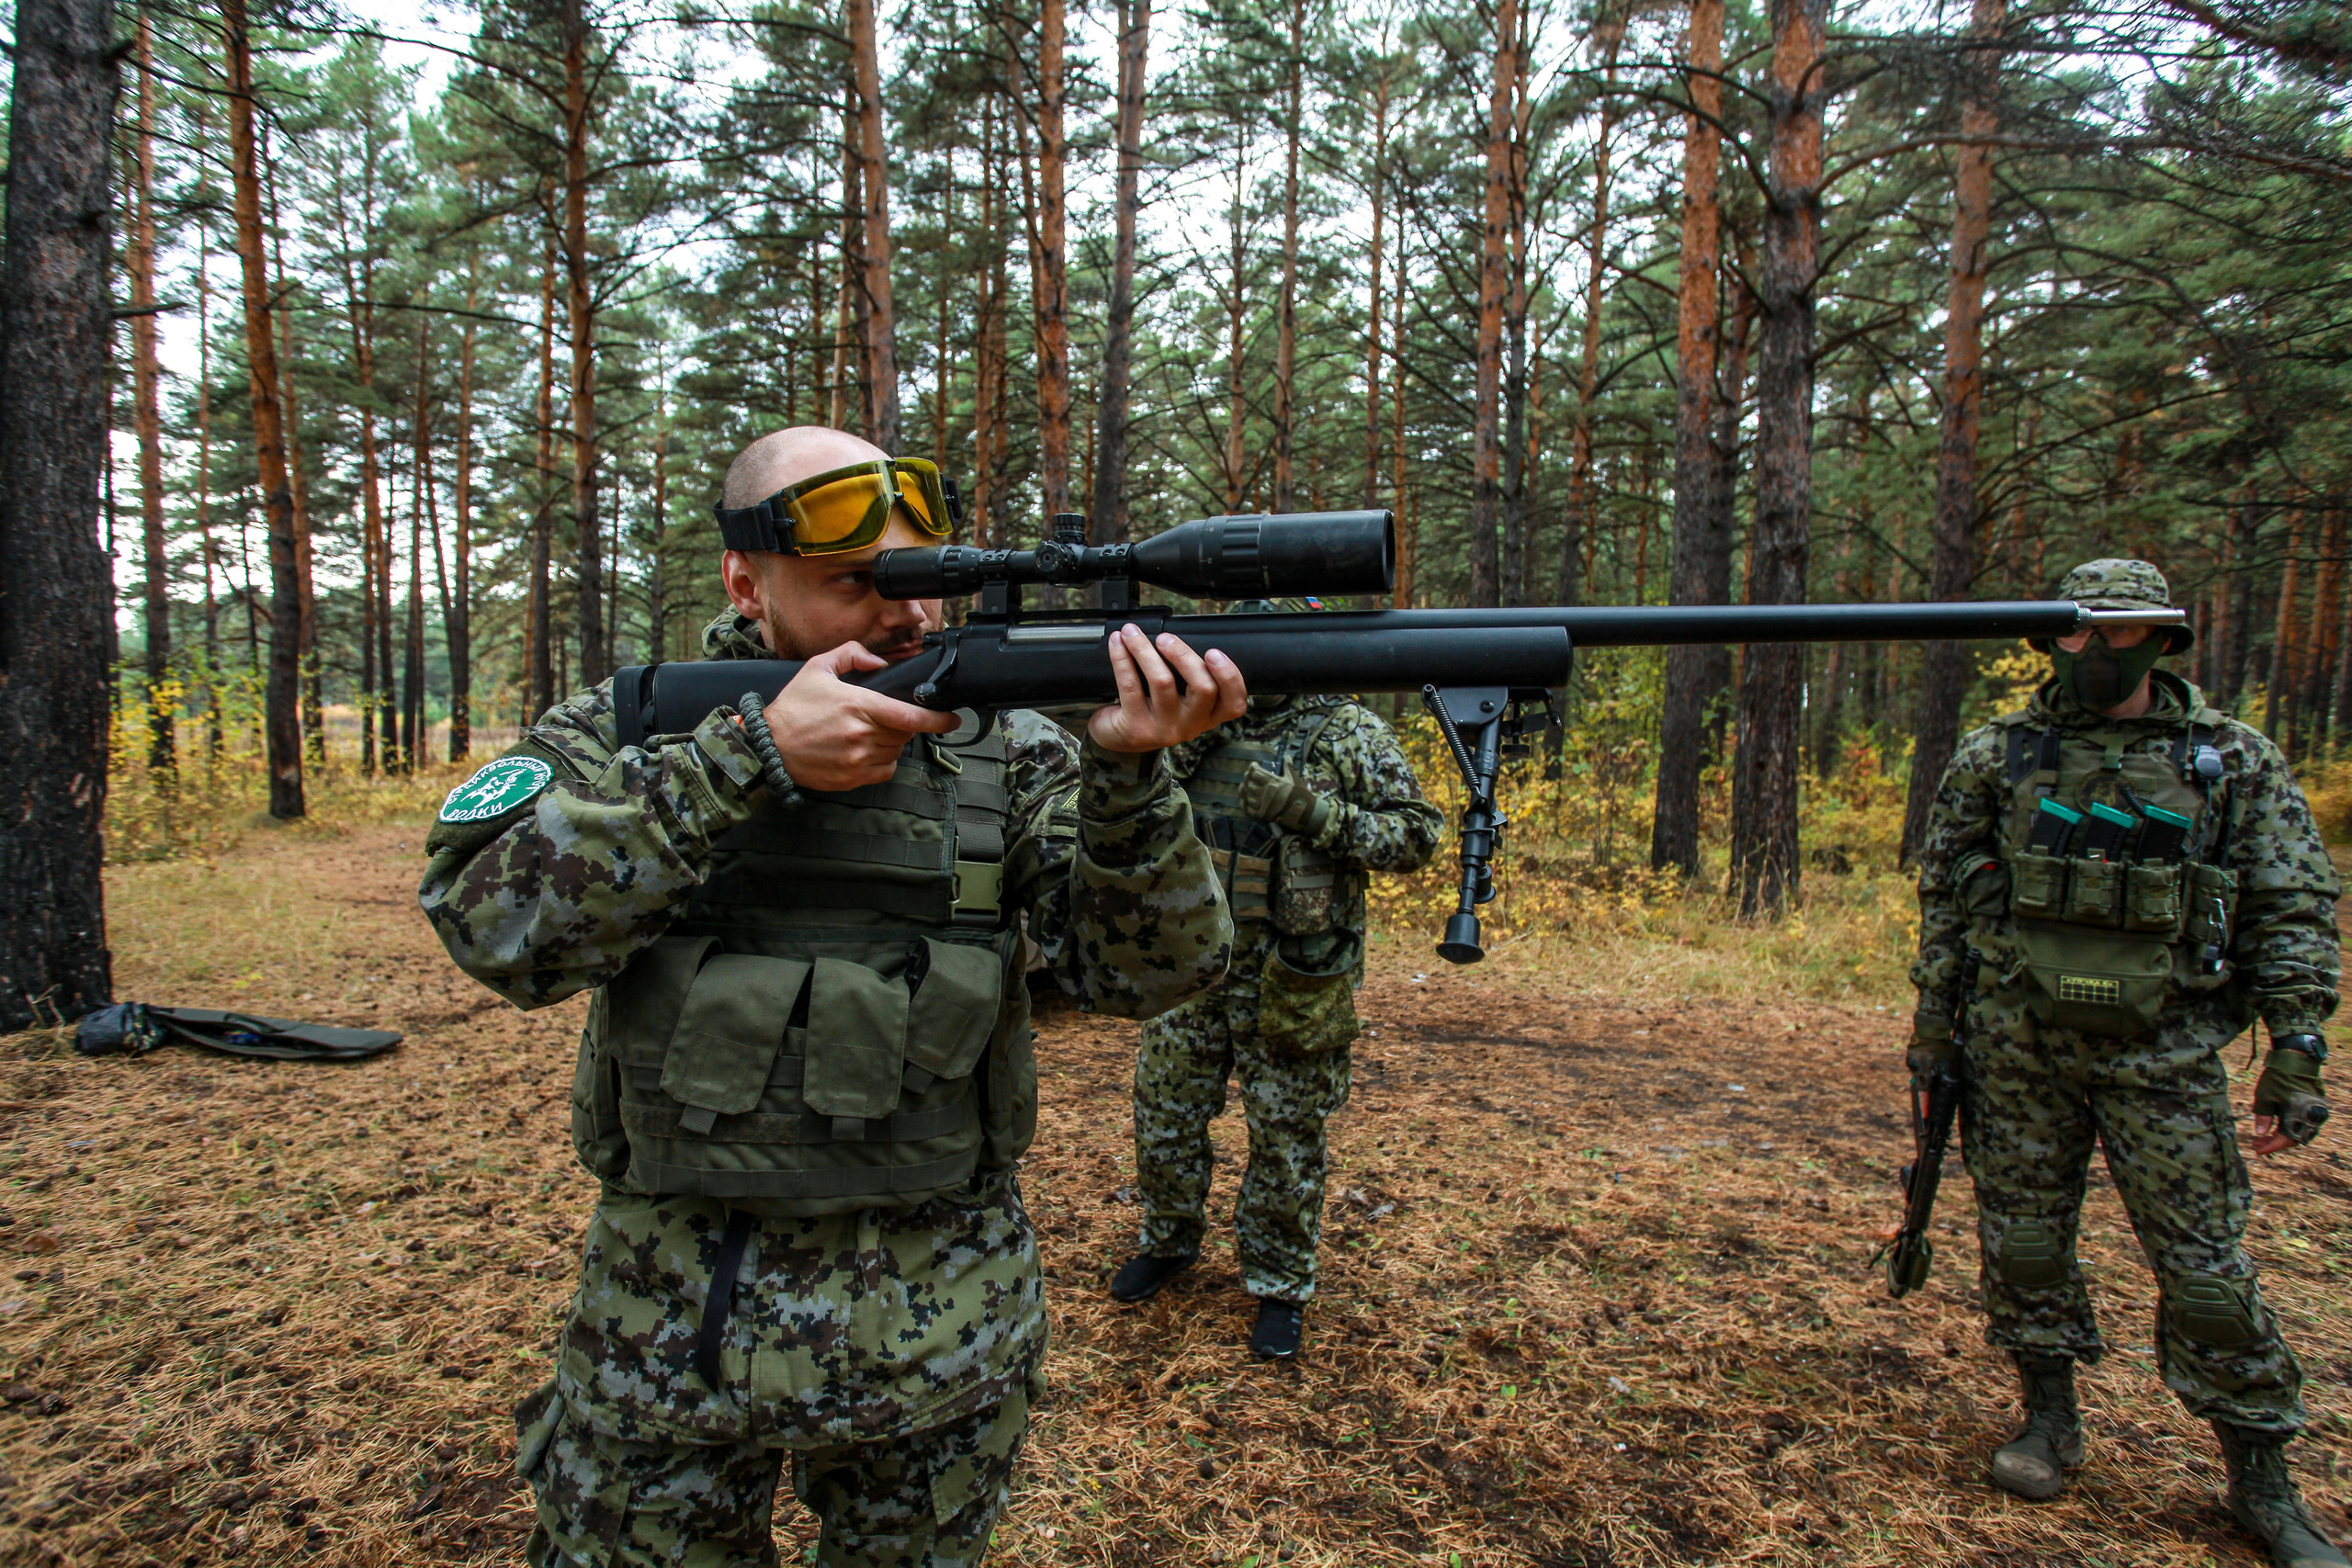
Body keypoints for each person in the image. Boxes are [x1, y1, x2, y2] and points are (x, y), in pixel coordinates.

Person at [419, 425, 1249, 1566]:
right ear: (744, 582)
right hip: (665, 1341)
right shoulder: (632, 727)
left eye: (924, 577)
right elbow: (490, 927)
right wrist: (742, 763)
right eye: (856, 582)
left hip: (942, 1338)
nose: (907, 614)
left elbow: (1153, 973)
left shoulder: (1006, 753)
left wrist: (1132, 780)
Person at [1908, 558, 2344, 1568]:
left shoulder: (2228, 759)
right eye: (2075, 632)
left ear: (2161, 640)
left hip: (2168, 1054)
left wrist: (2296, 1049)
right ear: (2048, 639)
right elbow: (1944, 903)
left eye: (2118, 633)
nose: (2094, 652)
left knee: (2203, 1273)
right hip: (2018, 1048)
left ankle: (2262, 1480)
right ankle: (2047, 1422)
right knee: (2022, 1242)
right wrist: (1933, 1035)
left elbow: (2289, 907)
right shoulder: (1997, 755)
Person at [1107, 617, 1442, 1359]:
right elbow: (1132, 798)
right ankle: (1167, 1241)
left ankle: (1280, 1282)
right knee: (1164, 1113)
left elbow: (1418, 834)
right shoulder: (1197, 719)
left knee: (1287, 1137)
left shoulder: (1343, 730)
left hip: (1293, 975)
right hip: (1193, 965)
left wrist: (1312, 812)